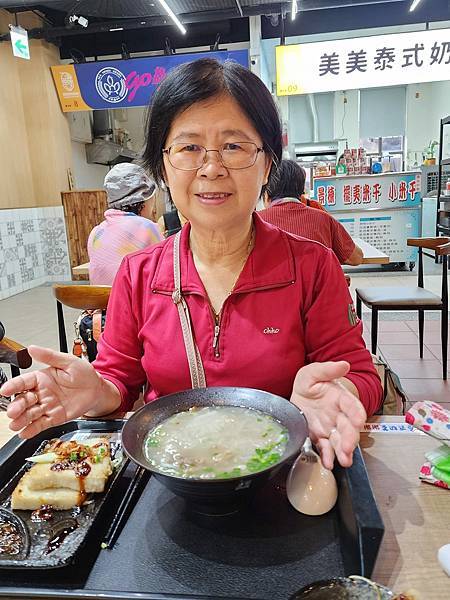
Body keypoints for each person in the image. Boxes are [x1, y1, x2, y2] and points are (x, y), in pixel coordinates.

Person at [1, 58, 382, 470]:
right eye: (189, 147)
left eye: (234, 146)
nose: (212, 168)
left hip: (283, 474)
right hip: (172, 474)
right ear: (164, 165)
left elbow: (361, 374)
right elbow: (118, 380)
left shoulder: (312, 266)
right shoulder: (139, 273)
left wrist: (339, 389)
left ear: (268, 162)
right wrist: (94, 391)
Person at [260, 160, 364, 266]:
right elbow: (356, 258)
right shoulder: (324, 218)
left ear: (267, 193)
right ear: (302, 191)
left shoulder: (255, 222)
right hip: (318, 282)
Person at [87, 163, 163, 285]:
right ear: (143, 198)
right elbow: (166, 268)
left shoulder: (96, 232)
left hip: (100, 302)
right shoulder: (147, 228)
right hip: (131, 302)